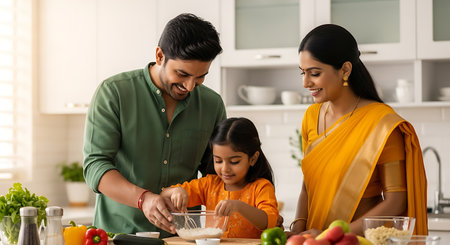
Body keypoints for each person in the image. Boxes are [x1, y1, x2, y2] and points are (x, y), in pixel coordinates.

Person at [82, 13, 226, 237]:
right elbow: (95, 166)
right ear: (160, 56)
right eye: (182, 74)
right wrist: (143, 199)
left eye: (200, 77)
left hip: (184, 238)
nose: (189, 86)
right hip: (118, 237)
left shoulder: (212, 105)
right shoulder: (114, 93)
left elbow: (217, 177)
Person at [289, 24, 427, 237]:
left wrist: (332, 235)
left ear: (345, 69)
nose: (305, 82)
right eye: (303, 73)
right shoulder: (311, 117)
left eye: (314, 73)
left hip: (357, 240)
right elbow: (308, 185)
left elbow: (396, 201)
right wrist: (298, 229)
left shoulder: (382, 123)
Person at [160, 117, 279, 238]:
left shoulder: (261, 187)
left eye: (234, 162)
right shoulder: (209, 184)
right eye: (218, 160)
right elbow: (164, 195)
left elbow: (269, 221)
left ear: (253, 159)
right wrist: (176, 191)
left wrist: (238, 206)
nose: (225, 168)